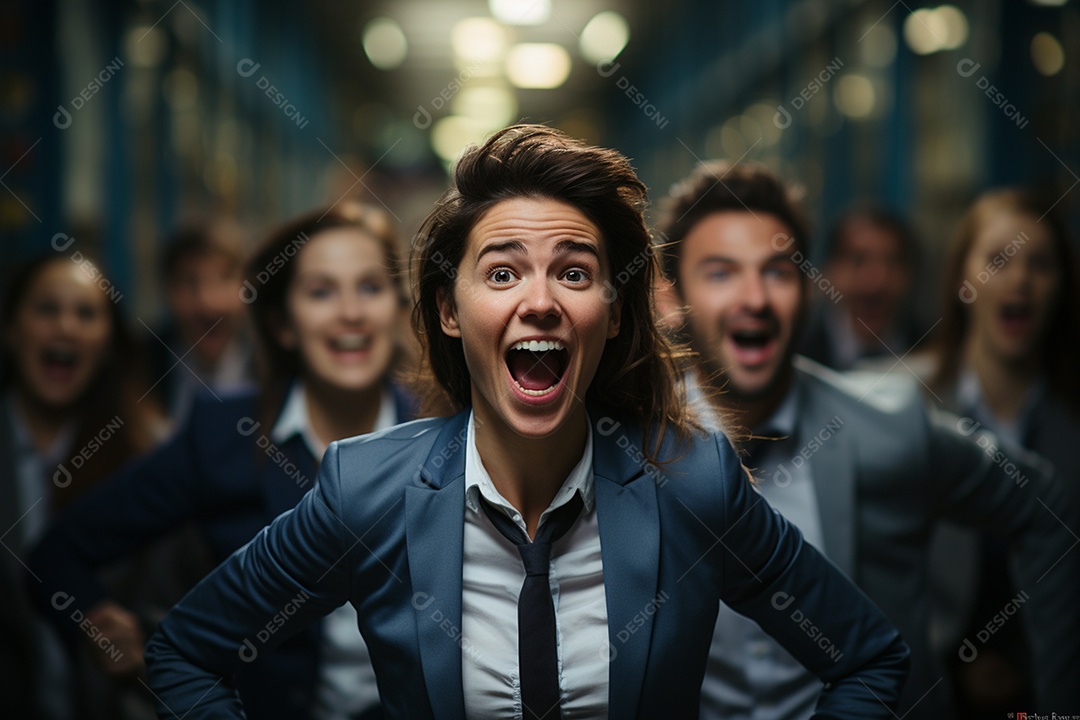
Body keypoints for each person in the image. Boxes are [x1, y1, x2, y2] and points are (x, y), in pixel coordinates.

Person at [143, 125, 909, 719]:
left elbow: (870, 658)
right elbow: (184, 651)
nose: (539, 301)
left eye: (574, 273)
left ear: (612, 314)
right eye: (502, 272)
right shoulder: (365, 488)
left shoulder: (694, 484)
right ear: (449, 310)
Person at [653, 161, 1079, 720]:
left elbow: (1047, 508)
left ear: (809, 289)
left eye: (777, 272)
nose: (753, 297)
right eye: (720, 273)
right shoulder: (630, 447)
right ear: (670, 297)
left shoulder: (892, 426)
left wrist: (1057, 705)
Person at [29, 202, 418, 720]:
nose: (350, 312)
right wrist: (112, 633)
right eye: (322, 291)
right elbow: (56, 555)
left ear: (398, 308)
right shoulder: (224, 436)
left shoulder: (450, 436)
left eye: (370, 287)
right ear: (283, 324)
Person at [926, 188, 1080, 717]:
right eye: (998, 260)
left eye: (1041, 263)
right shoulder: (907, 410)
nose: (1020, 280)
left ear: (1062, 285)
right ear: (961, 280)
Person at [1, 253, 161, 719]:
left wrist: (137, 641)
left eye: (86, 313)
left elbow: (181, 604)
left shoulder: (149, 457)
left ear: (110, 341)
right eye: (47, 309)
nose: (65, 328)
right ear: (11, 331)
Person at [147, 220, 255, 424]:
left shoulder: (274, 367)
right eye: (190, 282)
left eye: (224, 279)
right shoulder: (141, 367)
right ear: (169, 291)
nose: (208, 302)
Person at [799, 205, 922, 370]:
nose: (876, 281)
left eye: (891, 262)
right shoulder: (798, 355)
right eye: (858, 260)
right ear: (828, 271)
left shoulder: (933, 352)